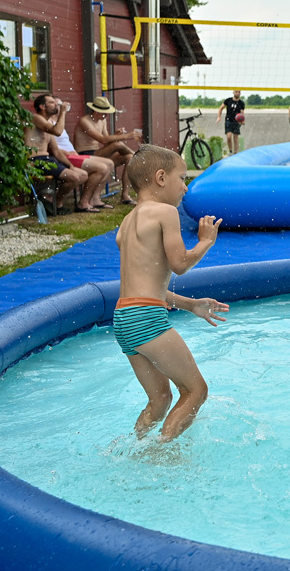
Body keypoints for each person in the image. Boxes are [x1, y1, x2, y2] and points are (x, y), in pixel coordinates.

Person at [115, 145, 228, 442]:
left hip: (124, 319)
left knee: (160, 400)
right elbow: (179, 264)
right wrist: (205, 243)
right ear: (161, 178)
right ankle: (164, 454)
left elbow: (145, 287)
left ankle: (137, 449)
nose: (185, 187)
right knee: (196, 390)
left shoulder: (127, 223)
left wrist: (190, 305)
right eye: (182, 178)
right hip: (146, 319)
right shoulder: (165, 212)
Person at [28, 93, 112, 212]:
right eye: (52, 103)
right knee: (75, 177)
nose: (56, 105)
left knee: (82, 175)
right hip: (36, 161)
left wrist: (70, 165)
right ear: (42, 107)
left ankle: (54, 201)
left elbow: (56, 151)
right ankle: (54, 202)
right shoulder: (36, 118)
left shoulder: (47, 125)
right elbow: (58, 132)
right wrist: (63, 112)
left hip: (48, 160)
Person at [75, 95, 142, 204]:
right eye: (104, 113)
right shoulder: (84, 121)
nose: (106, 115)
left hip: (97, 153)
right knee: (118, 145)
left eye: (107, 113)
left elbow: (107, 140)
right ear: (96, 111)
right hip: (84, 154)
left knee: (129, 158)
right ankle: (140, 157)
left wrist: (116, 135)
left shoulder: (102, 121)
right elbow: (102, 139)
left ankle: (125, 196)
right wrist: (127, 136)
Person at [216, 89, 245, 155]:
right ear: (233, 92)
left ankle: (236, 152)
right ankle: (230, 151)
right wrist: (219, 117)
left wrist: (243, 120)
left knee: (235, 137)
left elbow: (242, 113)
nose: (238, 93)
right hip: (228, 120)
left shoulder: (241, 103)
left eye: (239, 92)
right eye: (236, 92)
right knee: (229, 136)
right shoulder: (228, 100)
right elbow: (221, 108)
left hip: (236, 121)